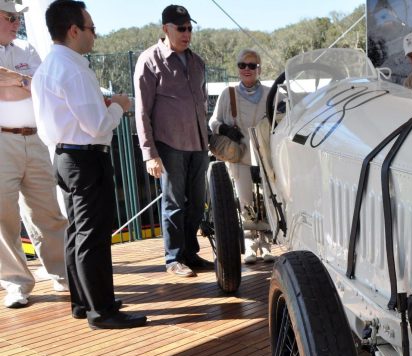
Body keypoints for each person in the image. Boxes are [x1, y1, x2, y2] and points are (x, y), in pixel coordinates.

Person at [31, 0, 146, 329]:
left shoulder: (48, 67)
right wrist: (119, 106)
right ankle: (102, 311)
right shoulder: (73, 68)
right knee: (93, 235)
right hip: (85, 158)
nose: (95, 35)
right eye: (91, 28)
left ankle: (85, 302)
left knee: (78, 233)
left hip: (63, 156)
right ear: (73, 30)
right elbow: (97, 126)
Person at [134, 4, 212, 278]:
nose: (187, 33)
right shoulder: (149, 60)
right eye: (181, 28)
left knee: (197, 203)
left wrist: (209, 139)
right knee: (174, 203)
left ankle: (191, 253)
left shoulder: (197, 62)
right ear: (165, 28)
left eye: (190, 27)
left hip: (199, 144)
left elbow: (201, 105)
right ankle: (173, 258)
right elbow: (141, 111)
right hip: (169, 145)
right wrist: (149, 154)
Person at [0, 0, 68, 309]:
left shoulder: (27, 49)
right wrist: (19, 81)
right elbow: (25, 85)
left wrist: (10, 80)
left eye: (17, 18)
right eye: (10, 17)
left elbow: (40, 86)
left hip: (35, 140)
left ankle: (64, 275)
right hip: (3, 143)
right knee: (4, 217)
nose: (16, 23)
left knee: (48, 213)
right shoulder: (25, 55)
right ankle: (16, 283)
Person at [209, 49, 272, 264]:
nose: (247, 69)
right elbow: (213, 122)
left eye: (252, 65)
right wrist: (226, 130)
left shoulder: (271, 93)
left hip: (265, 156)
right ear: (237, 68)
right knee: (245, 200)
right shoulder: (229, 94)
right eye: (242, 65)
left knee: (266, 200)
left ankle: (265, 244)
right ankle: (250, 246)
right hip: (240, 155)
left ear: (259, 69)